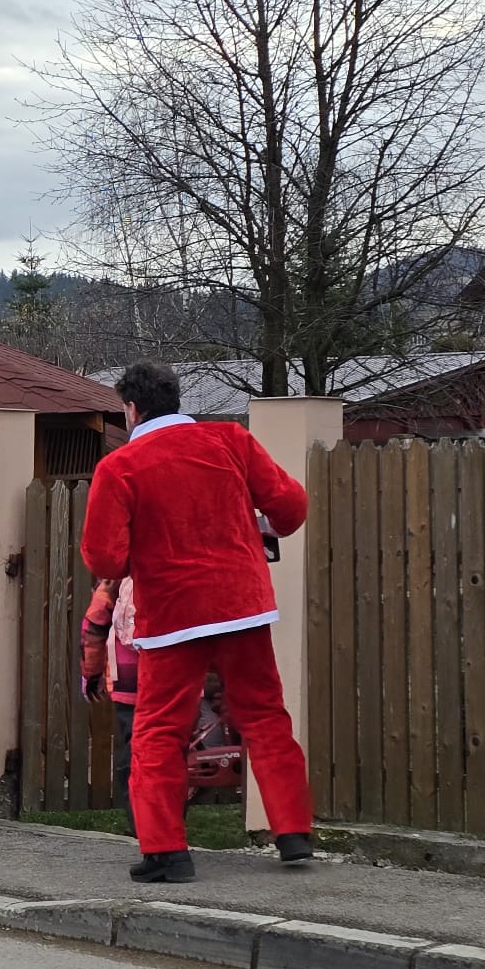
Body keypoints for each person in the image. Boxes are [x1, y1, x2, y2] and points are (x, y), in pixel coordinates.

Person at [80, 360, 315, 882]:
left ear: (132, 408)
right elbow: (292, 508)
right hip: (243, 604)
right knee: (266, 717)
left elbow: (103, 558)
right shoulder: (230, 440)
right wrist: (256, 528)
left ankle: (166, 852)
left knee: (159, 729)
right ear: (176, 399)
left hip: (174, 616)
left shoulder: (121, 466)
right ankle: (293, 832)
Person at [81, 577, 138, 834]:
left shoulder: (115, 579)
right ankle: (170, 823)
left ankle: (141, 825)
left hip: (130, 681)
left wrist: (91, 673)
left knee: (133, 756)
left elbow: (94, 623)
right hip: (178, 677)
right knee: (173, 753)